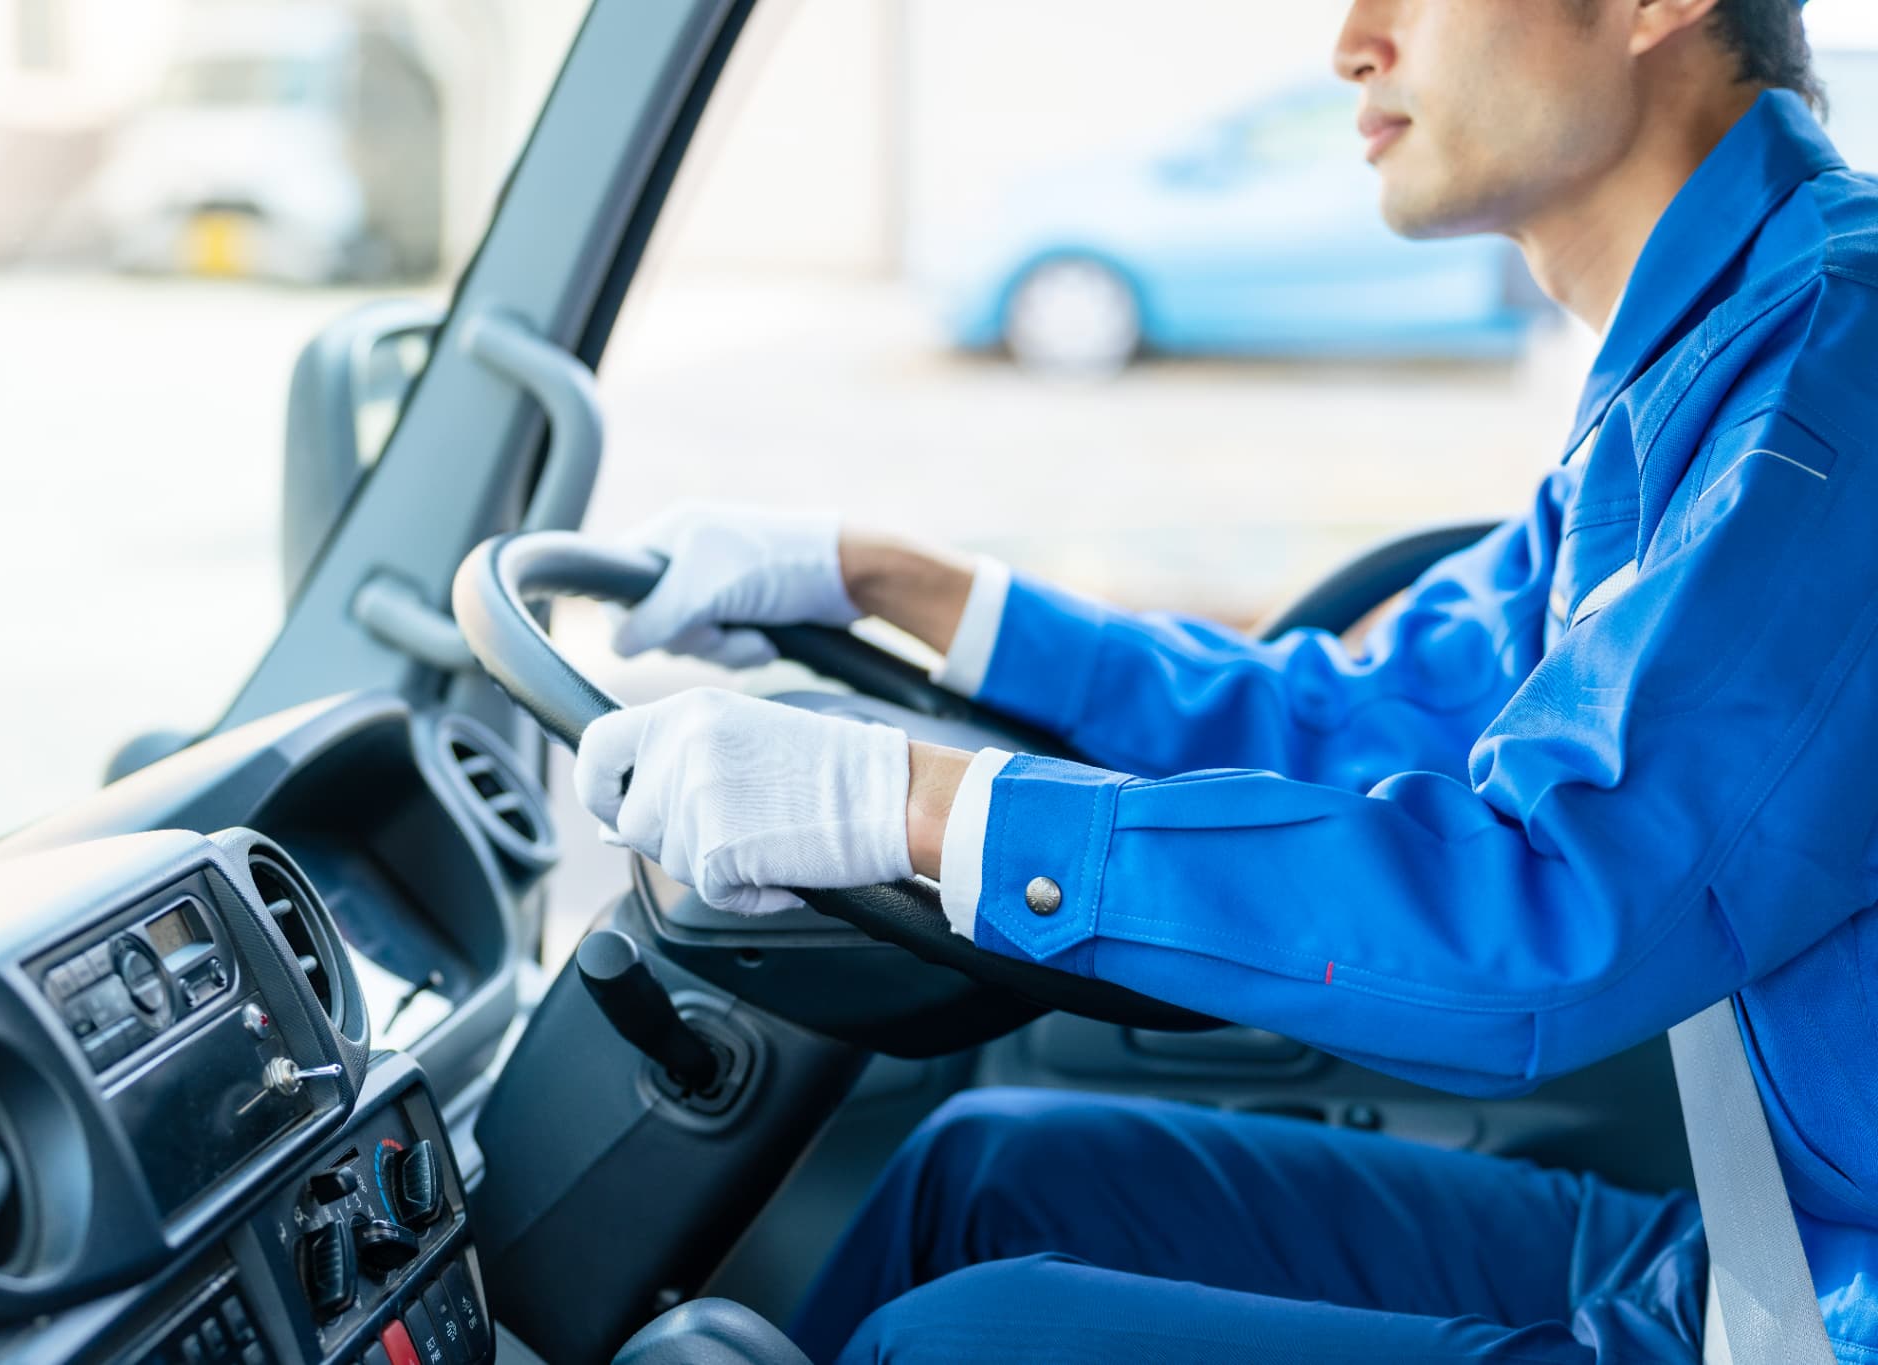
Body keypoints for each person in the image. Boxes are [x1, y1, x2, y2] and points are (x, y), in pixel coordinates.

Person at [573, 0, 1878, 1359]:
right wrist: (882, 580)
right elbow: (1363, 718)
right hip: (1755, 1258)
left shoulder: (1837, 370)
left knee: (955, 1344)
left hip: (1821, 1315)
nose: (1354, 41)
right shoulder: (1709, 363)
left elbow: (1552, 907)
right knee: (986, 1174)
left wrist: (910, 806)